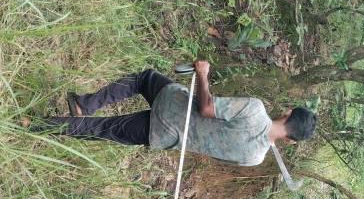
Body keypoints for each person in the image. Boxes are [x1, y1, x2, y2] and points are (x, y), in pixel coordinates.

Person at [27, 61, 317, 167]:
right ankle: (36, 125)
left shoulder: (256, 110)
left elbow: (207, 108)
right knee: (101, 130)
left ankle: (84, 105)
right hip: (165, 136)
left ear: (288, 112)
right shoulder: (255, 158)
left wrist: (202, 75)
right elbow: (215, 151)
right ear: (291, 141)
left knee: (143, 79)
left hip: (172, 103)